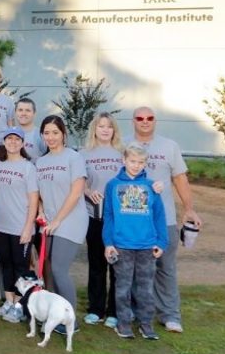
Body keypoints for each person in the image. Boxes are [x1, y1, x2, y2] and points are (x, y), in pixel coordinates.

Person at [125, 106, 203, 334]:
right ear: (133, 121)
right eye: (140, 118)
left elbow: (180, 178)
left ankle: (170, 315)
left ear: (155, 121)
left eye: (149, 118)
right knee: (131, 268)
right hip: (133, 219)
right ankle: (130, 311)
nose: (145, 121)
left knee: (165, 268)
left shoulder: (169, 146)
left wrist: (189, 209)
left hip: (164, 219)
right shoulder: (124, 144)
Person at [102, 144, 169, 340]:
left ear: (145, 163)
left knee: (145, 288)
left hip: (146, 246)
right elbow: (108, 216)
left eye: (141, 162)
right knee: (122, 287)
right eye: (132, 161)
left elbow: (159, 216)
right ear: (124, 160)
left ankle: (146, 324)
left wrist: (161, 242)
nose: (136, 165)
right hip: (122, 245)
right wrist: (108, 243)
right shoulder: (113, 185)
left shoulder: (152, 186)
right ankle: (123, 323)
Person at [35, 115, 87, 335]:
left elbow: (76, 193)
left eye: (55, 132)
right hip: (49, 223)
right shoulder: (40, 162)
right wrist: (41, 213)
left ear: (63, 134)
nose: (51, 137)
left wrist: (57, 220)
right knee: (49, 270)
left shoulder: (73, 158)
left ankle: (70, 321)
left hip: (70, 220)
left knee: (58, 269)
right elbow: (39, 194)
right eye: (46, 133)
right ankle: (54, 315)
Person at [0, 127, 38, 323]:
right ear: (4, 142)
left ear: (22, 143)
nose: (13, 142)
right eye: (9, 139)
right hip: (0, 226)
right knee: (6, 265)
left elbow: (33, 199)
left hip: (21, 227)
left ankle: (19, 306)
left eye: (17, 139)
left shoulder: (28, 167)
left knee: (21, 268)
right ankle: (8, 302)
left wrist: (28, 227)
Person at [80, 112, 124, 329]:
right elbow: (79, 183)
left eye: (109, 126)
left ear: (114, 130)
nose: (105, 130)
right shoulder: (84, 154)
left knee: (116, 265)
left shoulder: (122, 153)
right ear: (94, 129)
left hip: (119, 219)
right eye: (101, 126)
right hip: (94, 216)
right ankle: (96, 309)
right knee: (97, 264)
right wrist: (88, 191)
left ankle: (114, 311)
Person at [14, 98, 46, 162]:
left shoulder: (41, 135)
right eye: (20, 110)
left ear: (34, 113)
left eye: (28, 110)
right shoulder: (9, 134)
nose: (23, 113)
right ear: (15, 112)